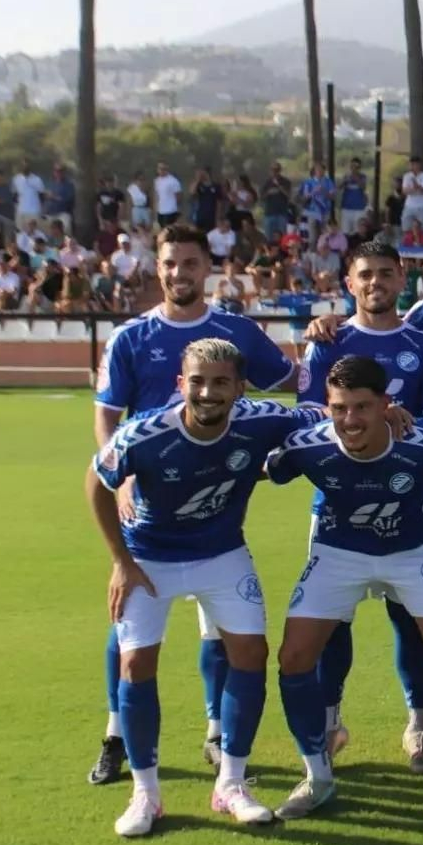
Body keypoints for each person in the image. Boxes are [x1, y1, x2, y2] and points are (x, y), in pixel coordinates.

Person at [86, 338, 326, 837]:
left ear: (240, 388)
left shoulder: (263, 419)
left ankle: (231, 784)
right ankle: (146, 794)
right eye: (197, 381)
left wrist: (391, 415)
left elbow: (327, 415)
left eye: (220, 383)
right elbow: (96, 482)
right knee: (135, 664)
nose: (208, 392)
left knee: (251, 654)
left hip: (222, 554)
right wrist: (121, 562)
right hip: (150, 559)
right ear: (181, 384)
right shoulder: (145, 433)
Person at [85, 224, 297, 788]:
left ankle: (215, 732)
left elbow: (293, 382)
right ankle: (116, 735)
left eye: (190, 263)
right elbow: (107, 414)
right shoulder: (130, 337)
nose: (179, 273)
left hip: (214, 499)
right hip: (147, 499)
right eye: (170, 263)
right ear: (157, 268)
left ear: (209, 268)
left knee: (219, 628)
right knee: (129, 625)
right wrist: (121, 480)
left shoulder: (237, 331)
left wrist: (328, 338)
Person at [293, 241, 423, 770]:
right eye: (365, 274)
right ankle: (331, 721)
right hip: (336, 506)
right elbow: (306, 423)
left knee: (409, 619)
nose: (375, 283)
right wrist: (370, 420)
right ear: (349, 282)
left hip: (408, 504)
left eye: (386, 273)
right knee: (331, 622)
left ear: (402, 278)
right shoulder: (327, 342)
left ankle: (418, 725)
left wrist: (401, 419)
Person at [338, 158, 370, 235]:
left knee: (357, 232)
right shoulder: (346, 176)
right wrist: (344, 181)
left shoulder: (363, 176)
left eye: (356, 167)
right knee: (345, 232)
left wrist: (355, 177)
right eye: (352, 166)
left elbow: (363, 187)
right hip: (346, 208)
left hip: (359, 209)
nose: (354, 168)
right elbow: (339, 187)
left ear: (359, 167)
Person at [401, 157, 423, 235]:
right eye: (411, 164)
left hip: (422, 206)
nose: (412, 166)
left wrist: (417, 187)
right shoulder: (407, 176)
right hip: (409, 206)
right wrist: (416, 188)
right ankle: (408, 241)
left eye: (414, 164)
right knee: (406, 227)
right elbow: (405, 191)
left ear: (419, 165)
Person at [12, 160, 45, 229]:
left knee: (34, 233)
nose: (25, 167)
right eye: (23, 166)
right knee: (21, 233)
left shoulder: (37, 179)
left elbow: (42, 196)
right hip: (21, 212)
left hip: (34, 212)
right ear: (20, 167)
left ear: (30, 167)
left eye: (26, 166)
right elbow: (14, 196)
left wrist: (41, 210)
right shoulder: (16, 179)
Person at [153, 163, 182, 228]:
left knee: (168, 230)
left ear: (167, 169)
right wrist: (156, 208)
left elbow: (178, 196)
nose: (162, 170)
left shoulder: (173, 181)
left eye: (164, 169)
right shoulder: (157, 181)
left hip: (170, 211)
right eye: (160, 168)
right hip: (160, 211)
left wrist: (175, 207)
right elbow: (157, 195)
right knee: (162, 229)